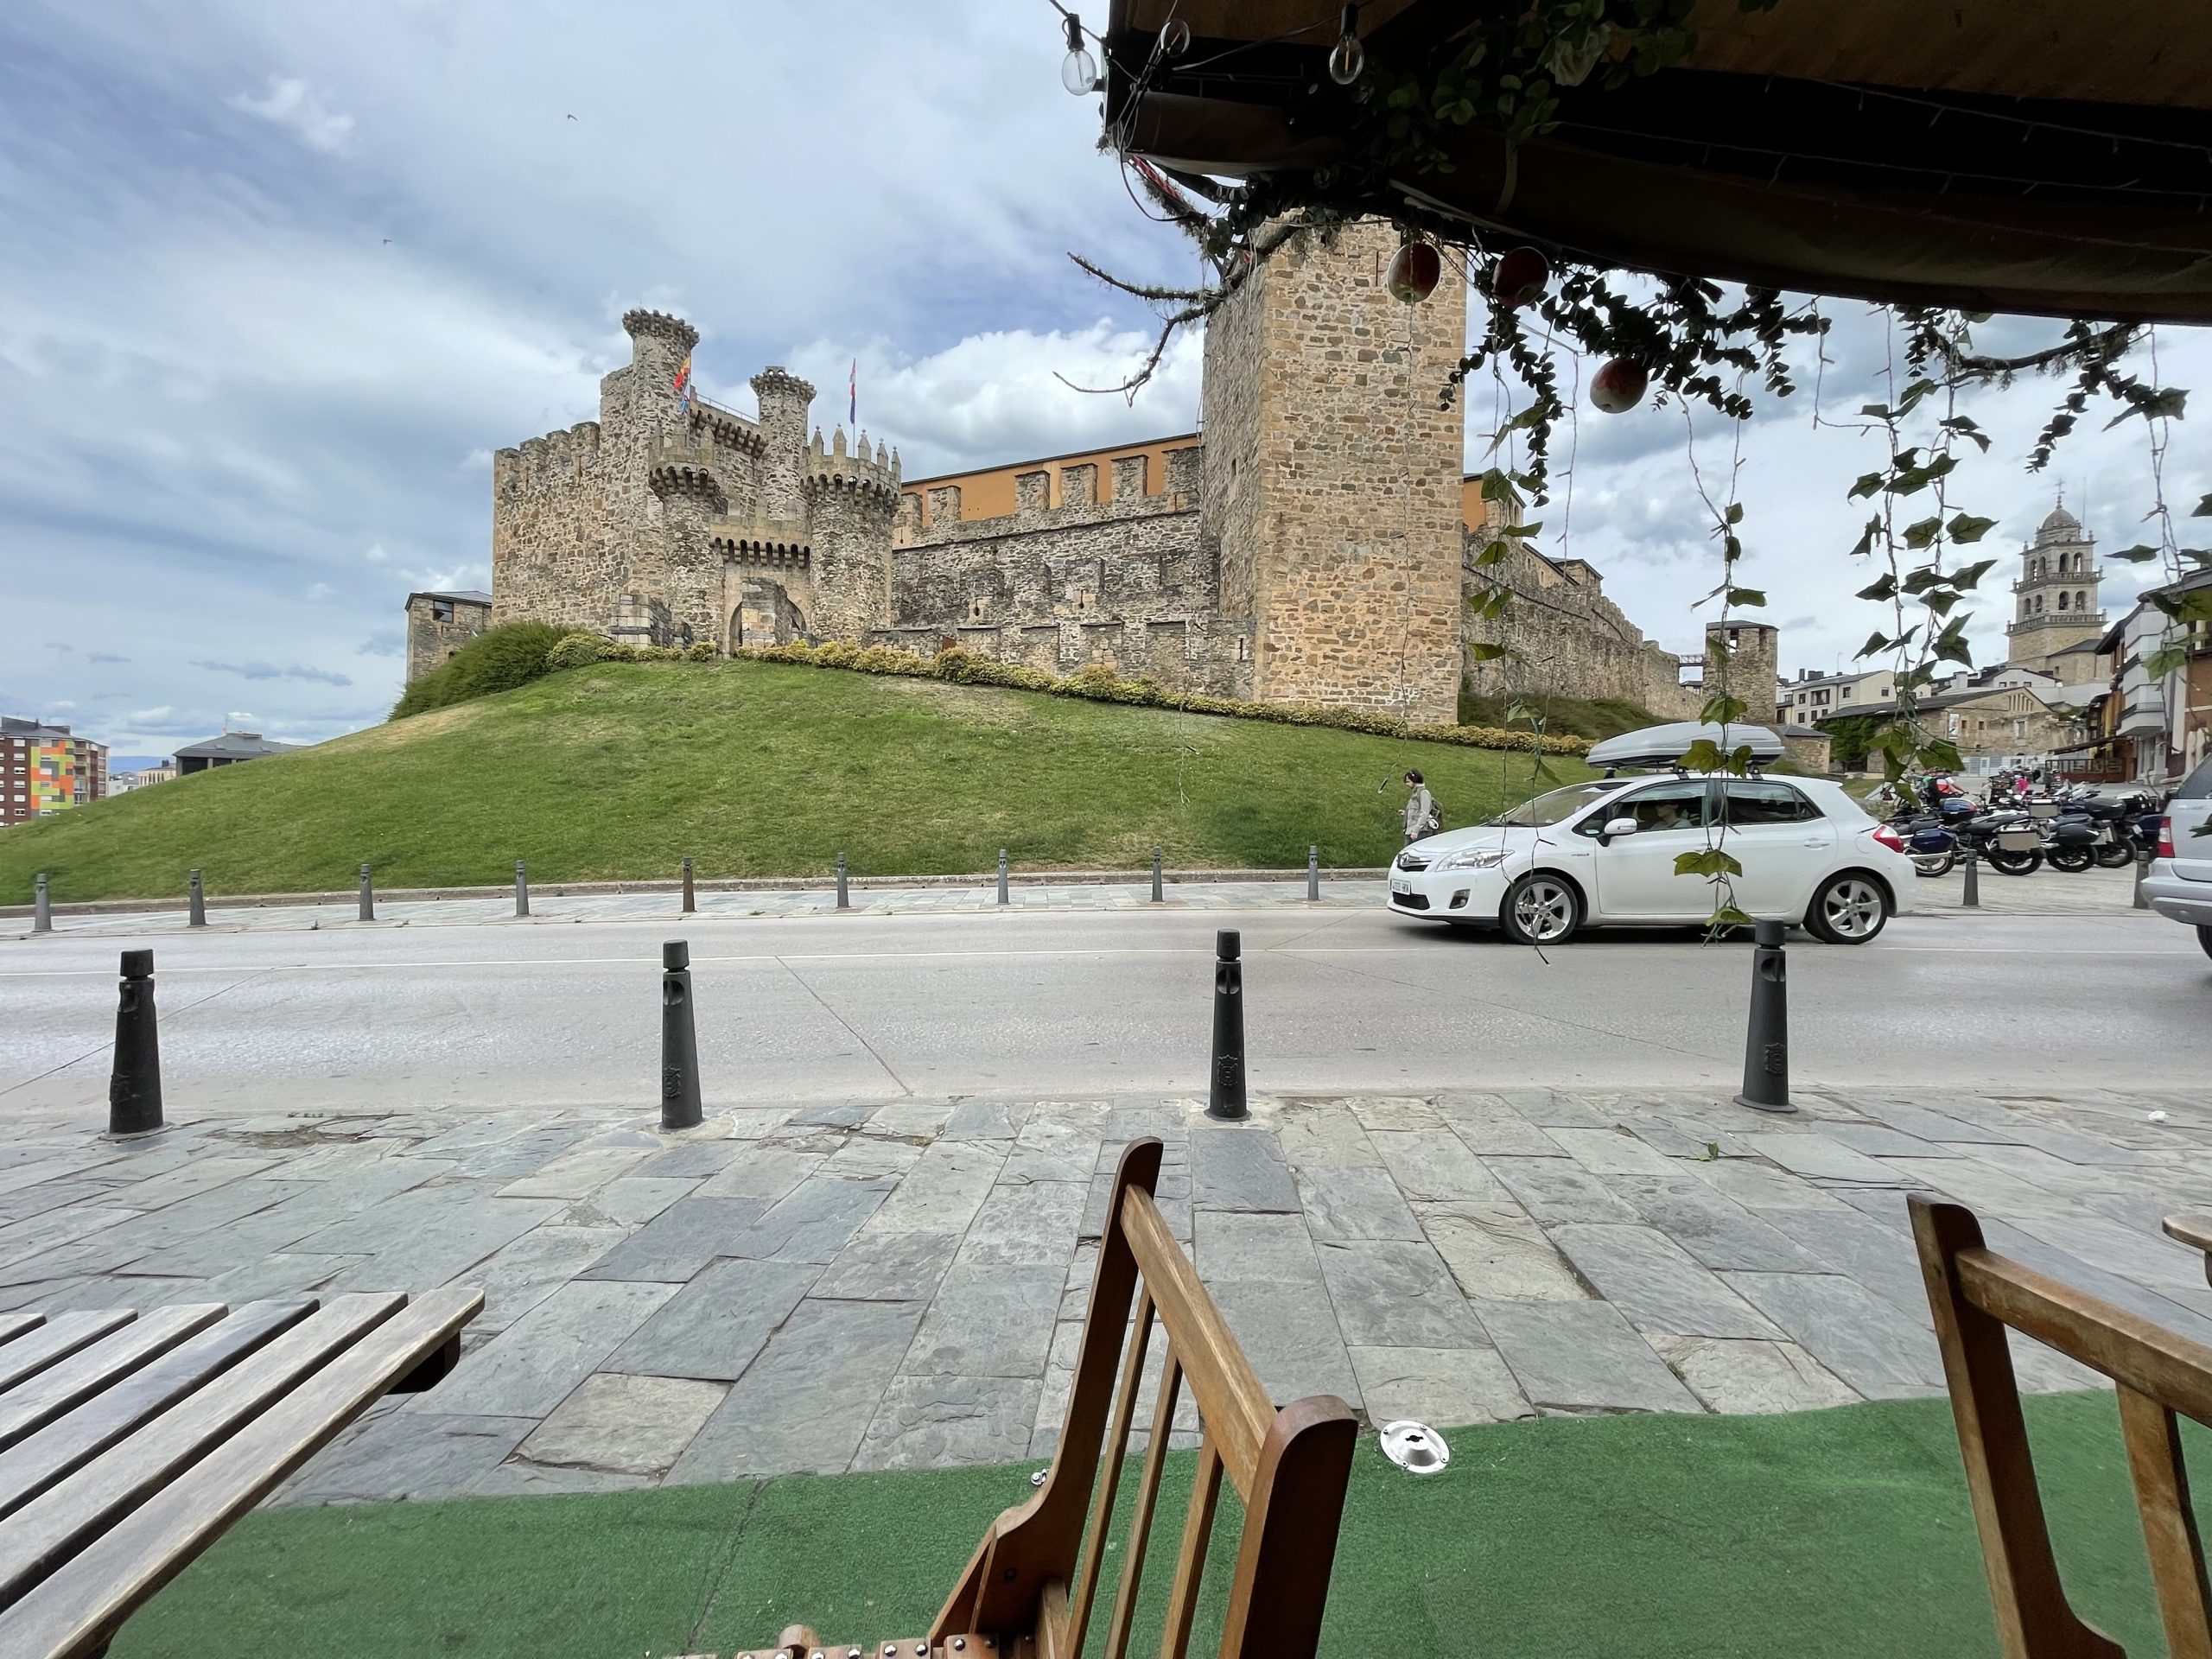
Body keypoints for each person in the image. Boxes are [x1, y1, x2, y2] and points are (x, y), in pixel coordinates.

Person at [1402, 771, 1440, 844]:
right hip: (1411, 831)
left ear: (1415, 780)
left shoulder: (1423, 793)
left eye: (1408, 782)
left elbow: (1424, 813)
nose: (1407, 784)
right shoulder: (1415, 793)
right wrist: (1406, 813)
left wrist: (1415, 831)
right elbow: (1416, 811)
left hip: (1420, 833)